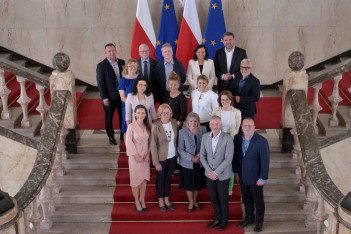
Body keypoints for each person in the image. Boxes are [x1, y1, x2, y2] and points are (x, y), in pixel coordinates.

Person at [233, 118, 270, 232]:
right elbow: (236, 157)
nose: (247, 128)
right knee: (246, 199)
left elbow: (265, 161)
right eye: (245, 125)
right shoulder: (237, 138)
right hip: (242, 176)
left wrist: (263, 177)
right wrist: (236, 172)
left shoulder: (262, 141)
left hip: (256, 178)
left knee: (258, 201)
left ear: (254, 127)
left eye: (250, 126)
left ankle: (259, 222)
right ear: (241, 127)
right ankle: (249, 218)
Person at [200, 116, 234, 231]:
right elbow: (202, 156)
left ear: (221, 125)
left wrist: (216, 172)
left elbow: (228, 159)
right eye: (212, 124)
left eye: (217, 124)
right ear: (210, 125)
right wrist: (210, 172)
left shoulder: (228, 138)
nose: (214, 126)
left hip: (223, 175)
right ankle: (218, 218)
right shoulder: (205, 137)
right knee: (214, 198)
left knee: (223, 198)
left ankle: (224, 220)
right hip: (209, 175)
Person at [212, 90, 242, 195]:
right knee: (218, 162)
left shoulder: (237, 112)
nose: (225, 101)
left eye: (227, 99)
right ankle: (218, 184)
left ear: (231, 100)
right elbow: (213, 125)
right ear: (220, 100)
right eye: (223, 99)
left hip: (230, 138)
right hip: (218, 138)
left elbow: (237, 128)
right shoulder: (216, 111)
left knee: (229, 164)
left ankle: (229, 187)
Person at [150, 104, 178, 212]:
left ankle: (167, 199)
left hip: (172, 157)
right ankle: (160, 199)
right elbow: (153, 145)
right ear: (160, 114)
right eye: (164, 113)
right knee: (160, 180)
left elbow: (177, 140)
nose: (166, 115)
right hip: (161, 159)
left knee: (168, 180)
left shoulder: (174, 123)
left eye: (168, 112)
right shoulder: (156, 126)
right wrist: (156, 162)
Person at [178, 112, 207, 213]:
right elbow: (180, 149)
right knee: (189, 183)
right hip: (187, 163)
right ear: (188, 122)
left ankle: (195, 201)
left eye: (195, 121)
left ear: (198, 121)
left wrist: (199, 155)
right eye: (191, 121)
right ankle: (190, 202)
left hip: (200, 161)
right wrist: (192, 158)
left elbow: (206, 145)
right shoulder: (182, 132)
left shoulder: (203, 130)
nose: (193, 123)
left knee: (198, 183)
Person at [96, 43, 124, 145]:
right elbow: (100, 83)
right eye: (109, 51)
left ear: (116, 51)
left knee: (123, 116)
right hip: (109, 97)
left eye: (113, 50)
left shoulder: (122, 62)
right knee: (109, 117)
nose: (111, 53)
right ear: (106, 53)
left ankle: (123, 133)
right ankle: (111, 136)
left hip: (122, 96)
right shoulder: (101, 66)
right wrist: (104, 98)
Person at [125, 105, 152, 213]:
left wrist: (148, 153)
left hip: (145, 156)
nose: (141, 115)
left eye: (143, 113)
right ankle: (136, 200)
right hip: (135, 157)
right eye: (139, 113)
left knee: (144, 179)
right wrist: (136, 155)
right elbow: (128, 142)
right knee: (135, 180)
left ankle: (143, 199)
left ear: (146, 115)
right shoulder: (131, 126)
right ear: (135, 114)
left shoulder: (148, 126)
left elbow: (150, 142)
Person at [118, 59, 140, 138]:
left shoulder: (141, 77)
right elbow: (122, 97)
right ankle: (129, 148)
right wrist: (132, 104)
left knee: (139, 127)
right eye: (131, 66)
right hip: (128, 107)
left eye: (135, 66)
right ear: (126, 68)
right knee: (127, 128)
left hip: (140, 107)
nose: (133, 68)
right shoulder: (123, 80)